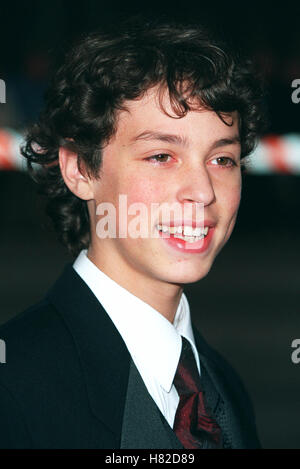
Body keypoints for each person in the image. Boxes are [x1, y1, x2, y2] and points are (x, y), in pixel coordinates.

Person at [0, 18, 265, 449]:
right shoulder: (13, 389)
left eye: (222, 160)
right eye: (162, 155)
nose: (202, 191)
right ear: (79, 169)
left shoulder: (224, 387)